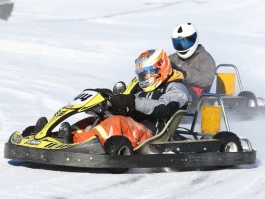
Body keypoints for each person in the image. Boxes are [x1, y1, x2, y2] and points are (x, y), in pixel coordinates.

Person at [60, 49, 189, 147]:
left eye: (146, 74)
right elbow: (129, 105)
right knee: (94, 119)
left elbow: (164, 107)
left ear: (160, 69)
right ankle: (61, 137)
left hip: (152, 135)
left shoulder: (176, 87)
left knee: (117, 122)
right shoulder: (139, 87)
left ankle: (76, 143)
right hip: (132, 127)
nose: (143, 79)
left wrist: (132, 101)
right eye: (141, 75)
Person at [169, 22, 216, 108]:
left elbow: (207, 79)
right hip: (174, 90)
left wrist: (185, 76)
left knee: (179, 91)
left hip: (195, 97)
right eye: (178, 43)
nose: (182, 46)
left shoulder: (205, 58)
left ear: (194, 40)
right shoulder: (173, 58)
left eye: (185, 42)